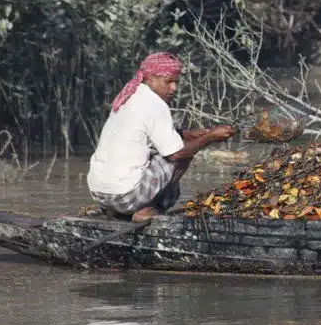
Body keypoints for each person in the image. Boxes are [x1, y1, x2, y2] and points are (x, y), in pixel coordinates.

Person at [87, 52, 235, 222]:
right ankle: (149, 209)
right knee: (182, 155)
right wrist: (210, 138)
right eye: (169, 82)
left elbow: (143, 134)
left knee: (178, 144)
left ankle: (117, 213)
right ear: (151, 79)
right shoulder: (155, 104)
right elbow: (176, 154)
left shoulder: (131, 96)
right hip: (125, 197)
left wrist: (188, 134)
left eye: (176, 82)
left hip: (101, 194)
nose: (174, 88)